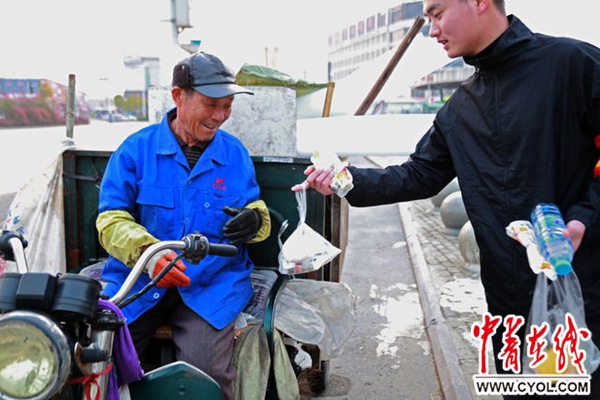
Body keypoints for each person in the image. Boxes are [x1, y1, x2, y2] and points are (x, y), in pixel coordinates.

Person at [295, 0, 600, 398]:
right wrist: (344, 181)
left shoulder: (573, 65)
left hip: (586, 288)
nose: (432, 30)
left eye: (437, 14)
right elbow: (418, 175)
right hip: (509, 301)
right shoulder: (461, 108)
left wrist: (583, 219)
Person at [96, 51, 270, 400]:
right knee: (101, 359)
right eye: (211, 104)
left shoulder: (234, 154)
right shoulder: (135, 150)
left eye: (228, 106)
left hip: (210, 284)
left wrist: (256, 219)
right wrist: (147, 254)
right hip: (139, 280)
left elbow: (252, 203)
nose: (220, 116)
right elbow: (110, 219)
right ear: (179, 96)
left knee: (203, 377)